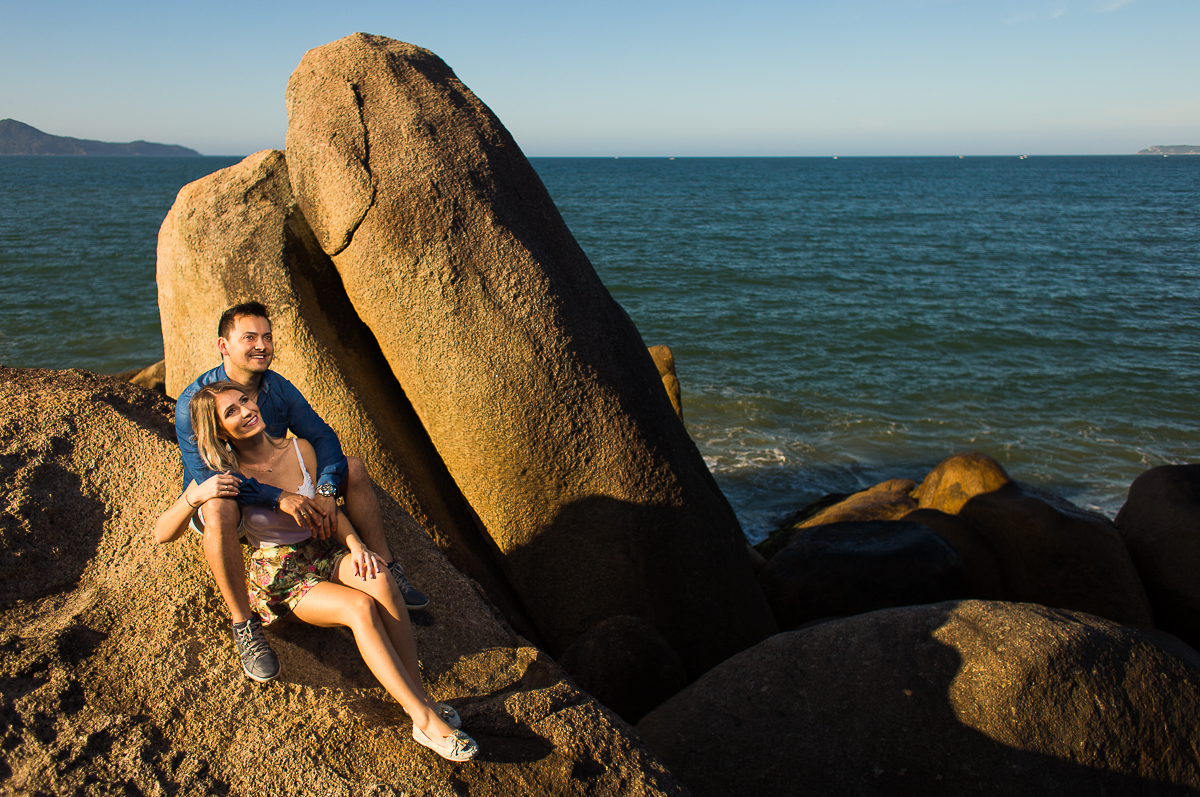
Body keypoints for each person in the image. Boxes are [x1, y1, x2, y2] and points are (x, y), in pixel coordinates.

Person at [154, 381, 478, 762]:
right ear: (219, 430)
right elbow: (163, 534)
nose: (245, 411)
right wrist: (194, 495)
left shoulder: (300, 448)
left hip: (324, 550)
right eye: (231, 412)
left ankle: (420, 697)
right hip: (283, 571)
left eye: (244, 400)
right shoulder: (227, 473)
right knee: (359, 608)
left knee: (381, 579)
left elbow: (329, 512)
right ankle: (423, 720)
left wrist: (357, 545)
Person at [175, 301, 427, 684]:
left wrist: (325, 489)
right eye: (249, 338)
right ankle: (244, 624)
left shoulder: (276, 387)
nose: (262, 345)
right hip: (240, 503)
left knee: (353, 468)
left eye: (267, 337)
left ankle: (387, 567)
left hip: (286, 489)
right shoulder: (196, 403)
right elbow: (211, 475)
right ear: (223, 346)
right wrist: (278, 498)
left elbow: (323, 436)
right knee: (218, 507)